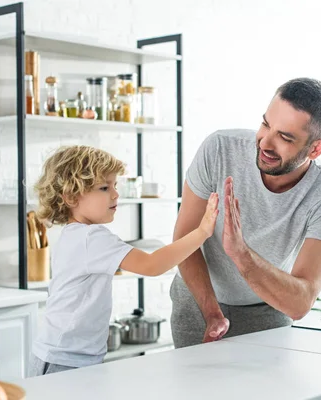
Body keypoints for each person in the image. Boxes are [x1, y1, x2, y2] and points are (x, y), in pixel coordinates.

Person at [170, 77, 321, 348]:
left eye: (285, 137)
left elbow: (301, 302)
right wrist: (211, 313)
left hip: (267, 311)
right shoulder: (220, 148)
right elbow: (184, 239)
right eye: (266, 124)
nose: (265, 143)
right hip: (197, 300)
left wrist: (241, 254)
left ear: (315, 148)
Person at [28, 145, 219, 376]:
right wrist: (202, 232)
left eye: (115, 185)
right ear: (71, 197)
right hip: (64, 361)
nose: (115, 194)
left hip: (60, 355)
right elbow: (152, 265)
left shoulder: (73, 234)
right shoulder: (91, 237)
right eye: (104, 187)